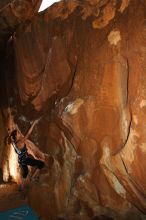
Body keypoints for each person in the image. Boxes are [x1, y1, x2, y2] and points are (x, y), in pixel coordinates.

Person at [9, 119, 45, 186]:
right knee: (41, 164)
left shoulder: (15, 143)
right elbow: (28, 133)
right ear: (16, 136)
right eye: (18, 133)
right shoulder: (21, 141)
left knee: (26, 172)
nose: (19, 133)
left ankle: (21, 187)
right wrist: (33, 124)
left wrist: (16, 128)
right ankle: (33, 178)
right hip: (25, 160)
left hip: (21, 160)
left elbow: (13, 140)